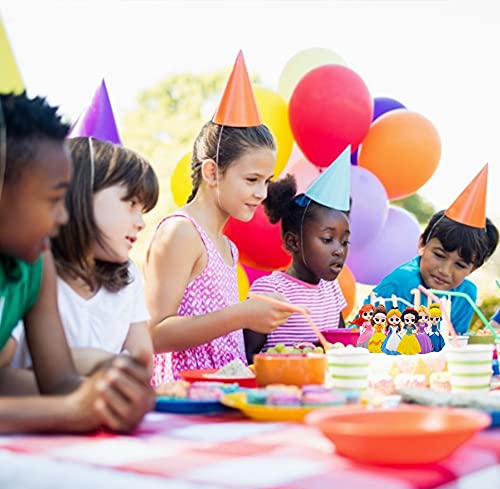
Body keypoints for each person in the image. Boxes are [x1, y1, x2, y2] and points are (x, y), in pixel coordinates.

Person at [0, 92, 153, 433]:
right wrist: (68, 411)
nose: (64, 215)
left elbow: (61, 383)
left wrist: (108, 397)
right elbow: (64, 403)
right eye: (54, 199)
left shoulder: (36, 265)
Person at [144, 52, 293, 384]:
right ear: (212, 171)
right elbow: (152, 333)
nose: (262, 193)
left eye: (266, 182)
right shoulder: (180, 233)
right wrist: (241, 314)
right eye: (252, 180)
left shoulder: (228, 246)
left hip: (221, 396)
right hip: (181, 403)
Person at [12, 137, 159, 375]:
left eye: (143, 211)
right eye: (131, 203)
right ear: (80, 195)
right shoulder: (29, 271)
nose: (141, 223)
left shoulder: (128, 275)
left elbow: (142, 361)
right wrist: (90, 361)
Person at [244, 145, 352, 362]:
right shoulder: (270, 290)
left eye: (345, 241)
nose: (339, 250)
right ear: (294, 242)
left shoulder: (331, 289)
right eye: (327, 240)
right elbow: (247, 356)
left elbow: (340, 343)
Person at [366, 166, 498, 334]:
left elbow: (454, 345)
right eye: (439, 255)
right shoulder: (400, 283)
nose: (444, 271)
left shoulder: (465, 294)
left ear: (473, 269)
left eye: (460, 265)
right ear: (422, 243)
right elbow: (369, 339)